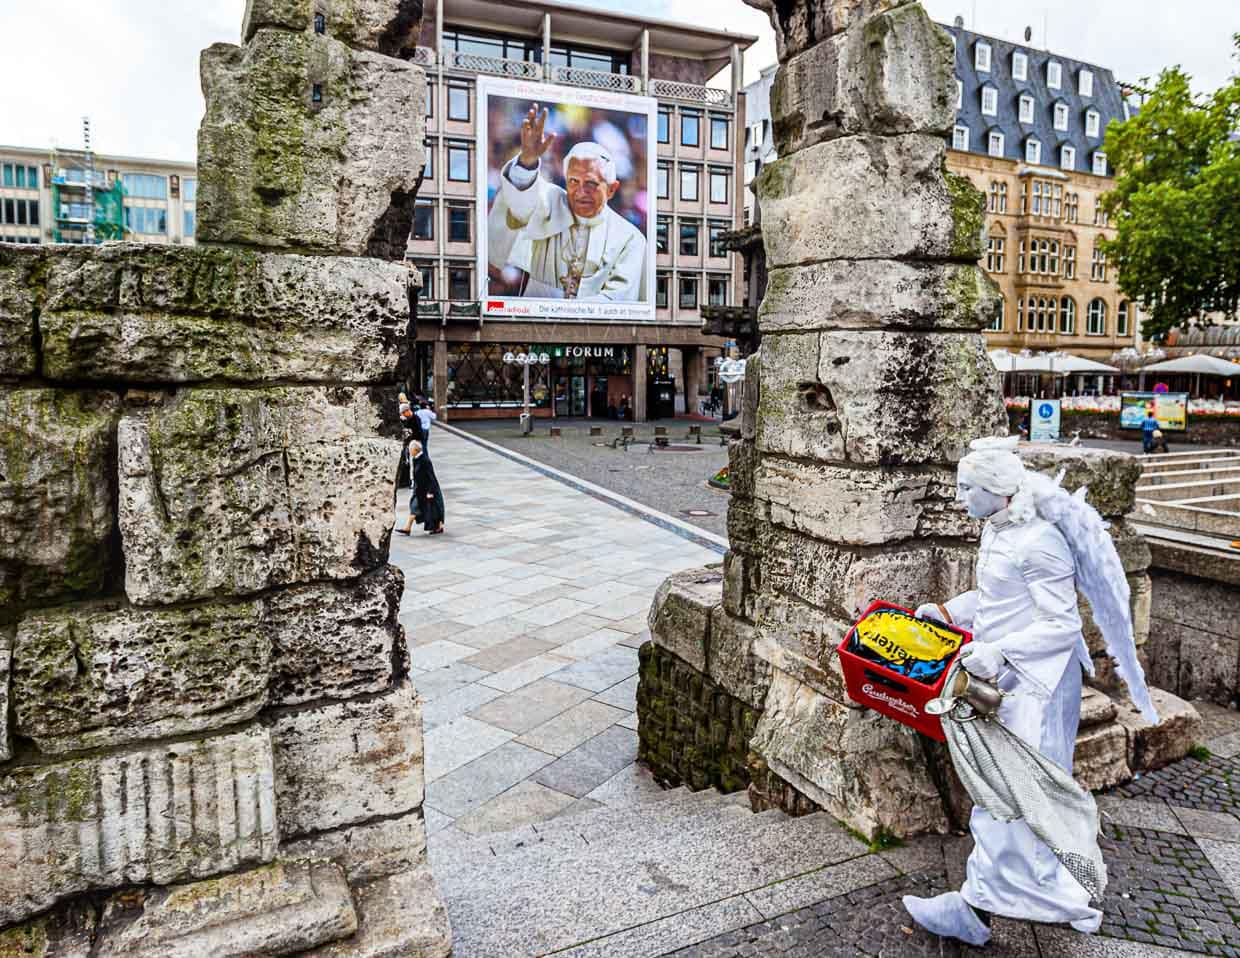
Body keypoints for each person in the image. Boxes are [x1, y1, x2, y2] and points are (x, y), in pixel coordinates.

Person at [904, 435, 1157, 947]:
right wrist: (951, 612)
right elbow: (998, 596)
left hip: (1036, 686)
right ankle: (1046, 893)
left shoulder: (1039, 541)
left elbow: (1062, 626)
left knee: (1010, 793)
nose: (960, 498)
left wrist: (999, 652)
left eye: (966, 488)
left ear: (996, 489)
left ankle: (979, 909)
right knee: (1015, 793)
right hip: (1012, 677)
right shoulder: (1000, 529)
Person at [486, 104, 648, 302]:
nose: (581, 192)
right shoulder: (551, 203)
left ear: (612, 189)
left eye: (590, 183)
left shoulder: (630, 239)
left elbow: (618, 302)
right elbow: (520, 203)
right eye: (573, 182)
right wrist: (527, 161)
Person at [396, 440, 444, 536]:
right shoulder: (416, 459)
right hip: (419, 489)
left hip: (426, 489)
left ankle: (409, 528)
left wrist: (430, 491)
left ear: (416, 450)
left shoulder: (424, 460)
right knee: (417, 506)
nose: (409, 452)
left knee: (430, 508)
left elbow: (431, 477)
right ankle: (408, 527)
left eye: (411, 450)